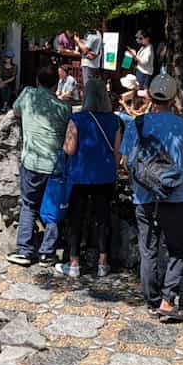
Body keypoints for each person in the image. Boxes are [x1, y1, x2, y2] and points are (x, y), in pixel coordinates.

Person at [121, 74, 183, 321]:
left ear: (151, 96)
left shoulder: (137, 125)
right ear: (173, 97)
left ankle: (151, 299)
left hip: (144, 199)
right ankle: (168, 300)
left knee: (148, 250)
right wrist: (171, 179)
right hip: (175, 198)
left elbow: (126, 162)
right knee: (178, 250)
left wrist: (148, 180)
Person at [56, 78, 122, 280]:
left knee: (76, 218)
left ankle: (74, 262)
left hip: (80, 175)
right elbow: (117, 153)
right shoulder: (114, 120)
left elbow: (70, 148)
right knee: (103, 218)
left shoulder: (77, 119)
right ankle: (103, 262)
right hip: (105, 175)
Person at [7, 63, 71, 267]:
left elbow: (16, 112)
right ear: (56, 84)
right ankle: (47, 252)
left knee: (29, 205)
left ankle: (24, 250)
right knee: (52, 208)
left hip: (32, 161)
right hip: (55, 165)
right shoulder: (64, 107)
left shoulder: (28, 95)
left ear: (37, 81)